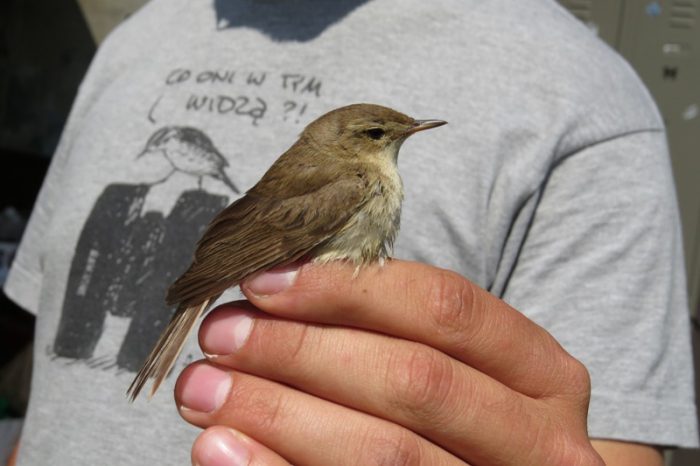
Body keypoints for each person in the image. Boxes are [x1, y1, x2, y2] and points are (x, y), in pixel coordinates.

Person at [4, 0, 697, 464]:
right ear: (351, 140)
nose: (393, 142)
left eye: (394, 136)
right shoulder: (136, 40)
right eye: (377, 134)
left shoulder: (586, 100)